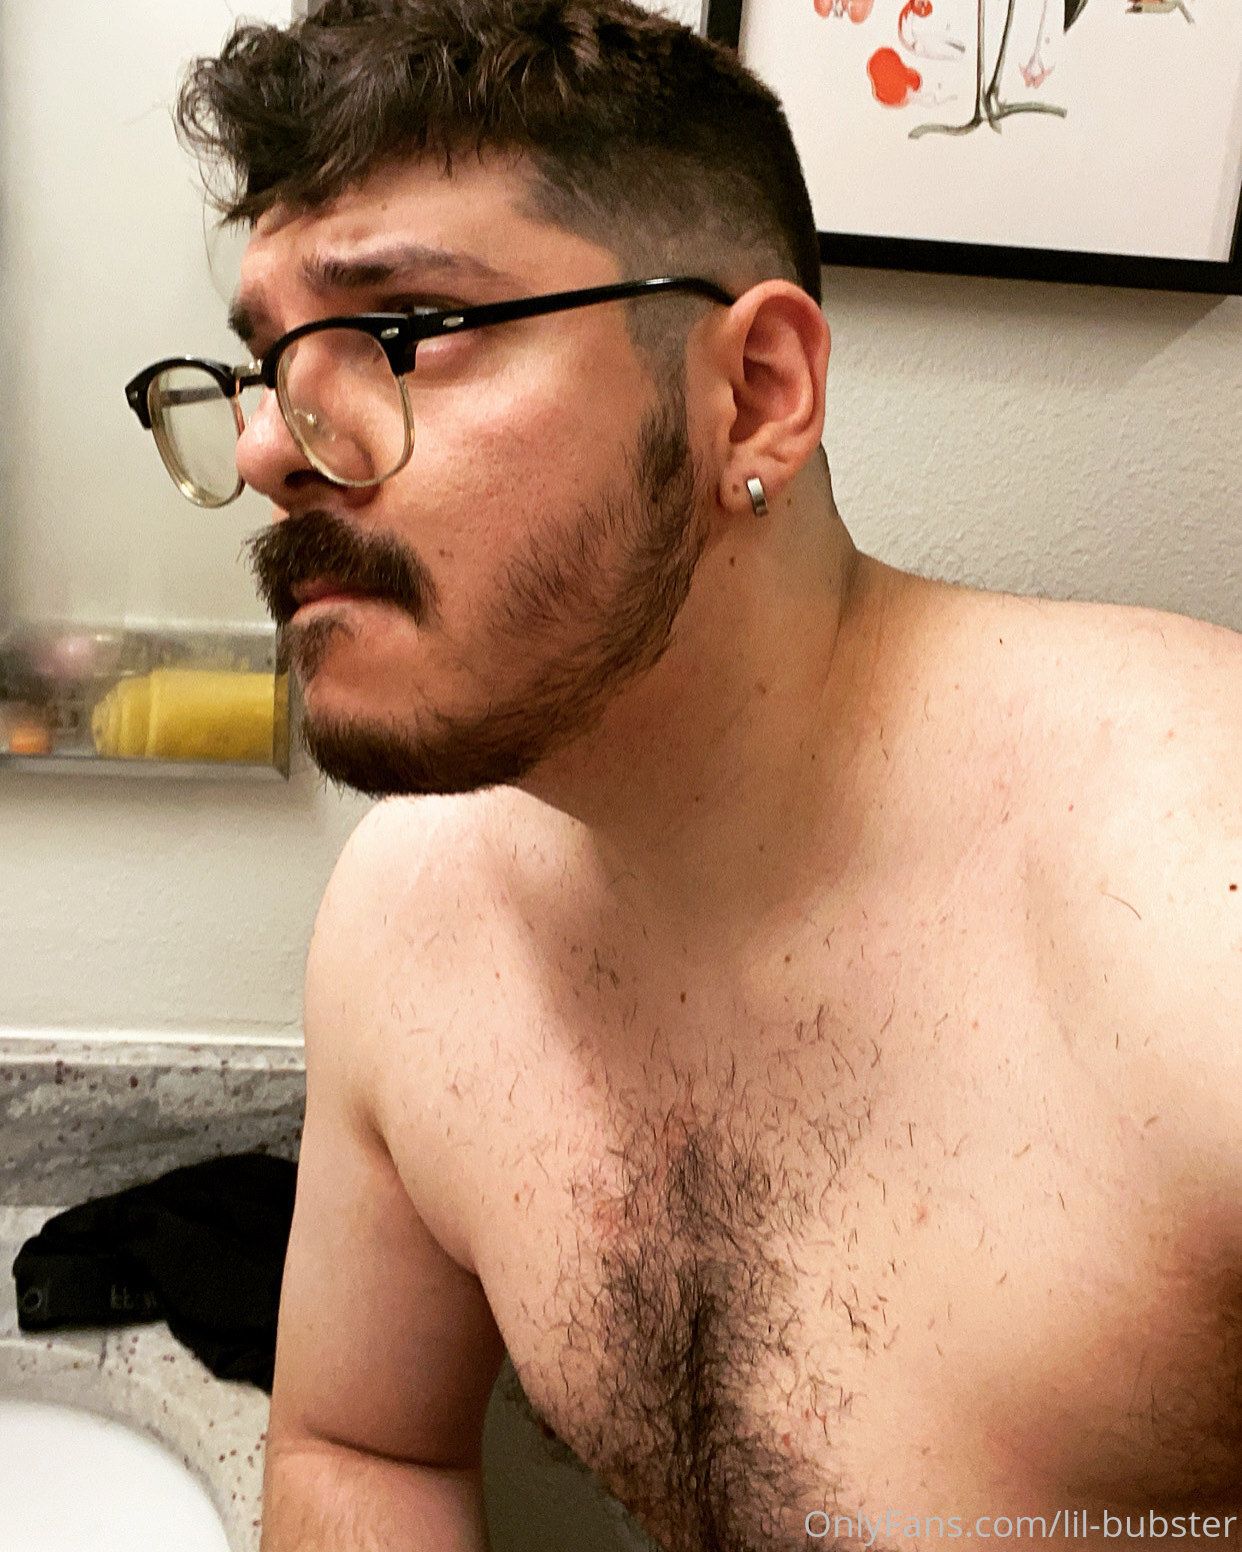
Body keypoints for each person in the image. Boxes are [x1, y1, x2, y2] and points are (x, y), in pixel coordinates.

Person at [127, 0, 1242, 1546]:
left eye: (403, 329)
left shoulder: (1195, 897)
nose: (266, 447)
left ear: (755, 393)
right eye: (266, 360)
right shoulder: (413, 912)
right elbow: (361, 1448)